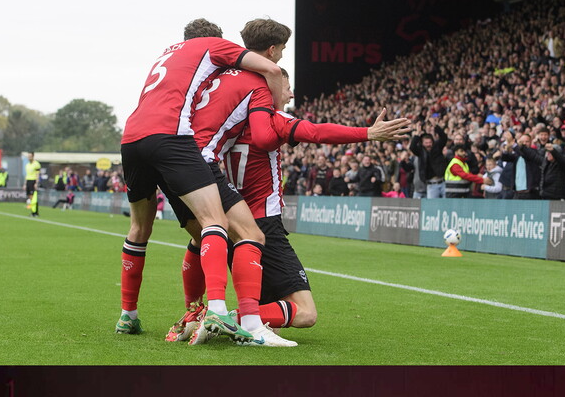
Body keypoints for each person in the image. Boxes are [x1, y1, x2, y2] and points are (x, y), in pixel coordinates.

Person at [166, 66, 409, 340]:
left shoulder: (226, 125)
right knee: (305, 313)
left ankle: (197, 310)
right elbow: (316, 132)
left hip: (233, 221)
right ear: (269, 88)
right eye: (287, 87)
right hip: (264, 225)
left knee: (204, 241)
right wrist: (367, 133)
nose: (291, 94)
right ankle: (228, 319)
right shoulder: (272, 120)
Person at [115, 17, 285, 344]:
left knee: (140, 229)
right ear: (216, 38)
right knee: (215, 221)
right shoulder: (213, 45)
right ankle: (218, 309)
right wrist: (275, 107)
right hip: (170, 136)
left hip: (132, 138)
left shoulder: (168, 52)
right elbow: (272, 70)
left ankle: (128, 315)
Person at [409, 120, 448, 199]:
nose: (428, 145)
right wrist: (417, 134)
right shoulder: (420, 152)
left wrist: (436, 126)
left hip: (443, 182)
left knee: (446, 205)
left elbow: (444, 138)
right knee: (432, 207)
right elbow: (412, 147)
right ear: (422, 143)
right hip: (431, 185)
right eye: (426, 143)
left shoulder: (437, 148)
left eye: (430, 142)